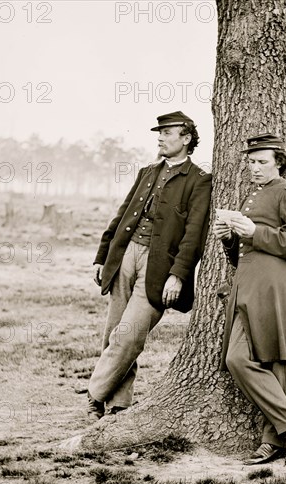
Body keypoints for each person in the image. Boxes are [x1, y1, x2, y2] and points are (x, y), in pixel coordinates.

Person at [87, 111, 212, 420]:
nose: (160, 138)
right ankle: (118, 405)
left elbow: (194, 234)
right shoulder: (147, 172)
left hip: (159, 266)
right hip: (125, 254)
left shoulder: (199, 181)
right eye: (159, 133)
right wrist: (103, 256)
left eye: (167, 133)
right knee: (115, 331)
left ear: (186, 139)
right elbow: (122, 216)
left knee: (129, 335)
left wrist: (178, 275)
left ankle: (93, 393)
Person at [214, 133, 286, 466]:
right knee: (238, 358)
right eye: (250, 161)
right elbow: (242, 254)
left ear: (279, 163)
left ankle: (277, 439)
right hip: (248, 286)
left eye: (262, 162)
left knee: (276, 362)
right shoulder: (252, 196)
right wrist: (231, 239)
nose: (254, 167)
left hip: (274, 288)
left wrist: (254, 232)